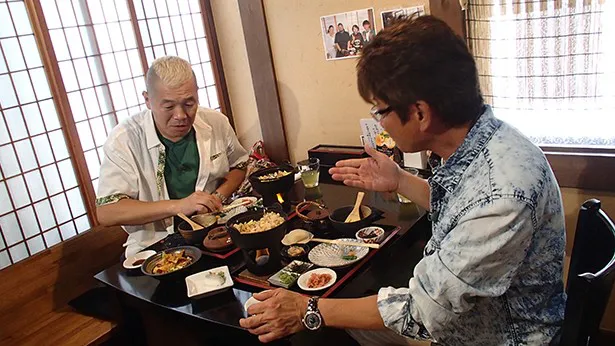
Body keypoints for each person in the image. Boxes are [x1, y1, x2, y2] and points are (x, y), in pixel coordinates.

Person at [239, 15, 566, 345]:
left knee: (316, 333)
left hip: (496, 336)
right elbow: (461, 206)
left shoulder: (503, 195)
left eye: (380, 110)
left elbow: (423, 311)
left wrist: (307, 309)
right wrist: (399, 180)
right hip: (472, 315)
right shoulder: (488, 139)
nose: (379, 122)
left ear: (420, 113)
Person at [96, 56, 248, 256]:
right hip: (153, 247)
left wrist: (216, 197)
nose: (180, 115)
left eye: (189, 104)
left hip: (214, 234)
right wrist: (179, 206)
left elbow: (240, 165)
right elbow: (107, 212)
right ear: (147, 100)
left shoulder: (215, 122)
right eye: (168, 106)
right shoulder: (124, 140)